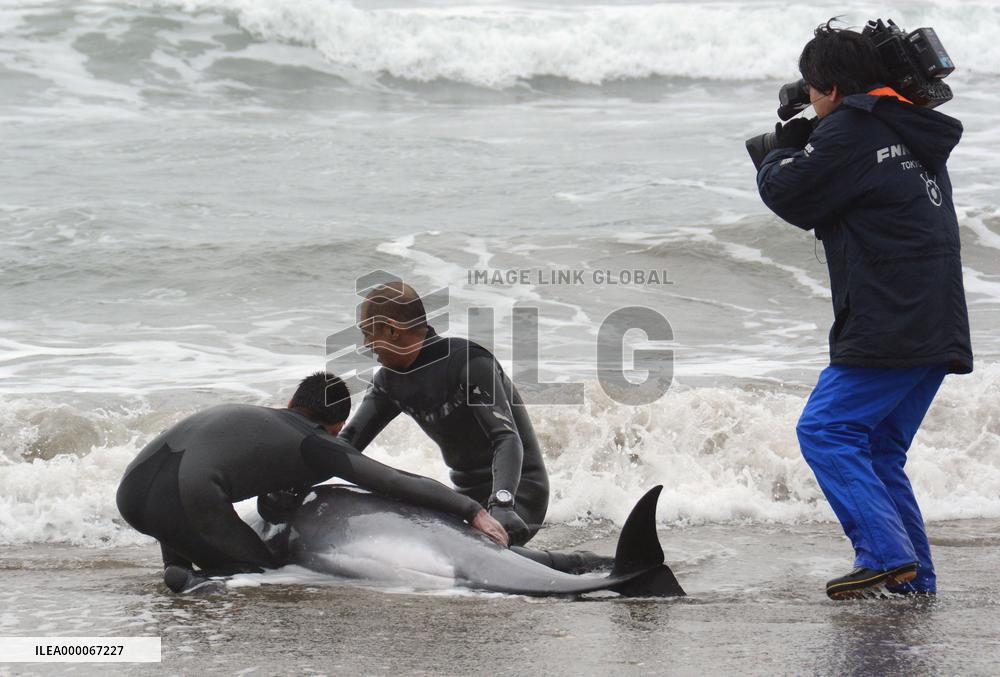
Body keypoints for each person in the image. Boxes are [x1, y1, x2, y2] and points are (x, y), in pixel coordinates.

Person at [755, 21, 973, 599]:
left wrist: (776, 157)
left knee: (825, 430)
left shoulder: (851, 130)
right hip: (938, 319)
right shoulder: (910, 127)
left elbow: (792, 194)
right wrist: (814, 130)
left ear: (829, 88)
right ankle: (912, 579)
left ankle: (883, 554)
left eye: (811, 86)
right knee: (877, 448)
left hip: (889, 319)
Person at [116, 372, 508, 593]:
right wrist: (471, 510)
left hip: (132, 490)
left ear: (292, 403)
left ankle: (181, 572)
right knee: (262, 574)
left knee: (186, 515)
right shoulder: (315, 443)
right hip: (187, 496)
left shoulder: (253, 416)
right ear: (336, 426)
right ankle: (197, 582)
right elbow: (392, 479)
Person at [341, 282, 612, 573]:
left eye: (368, 333)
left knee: (476, 556)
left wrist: (503, 503)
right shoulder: (389, 382)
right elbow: (346, 447)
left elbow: (506, 438)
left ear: (393, 331)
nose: (366, 345)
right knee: (437, 545)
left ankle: (590, 565)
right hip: (467, 499)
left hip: (518, 491)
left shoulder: (467, 362)